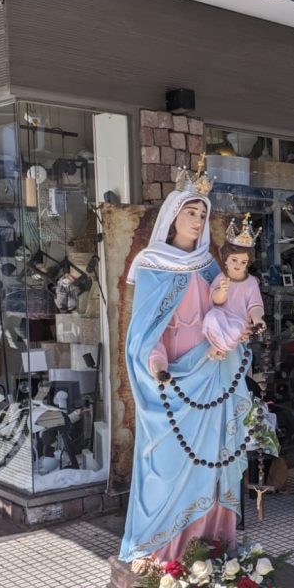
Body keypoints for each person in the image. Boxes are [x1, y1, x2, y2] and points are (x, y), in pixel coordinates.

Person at [119, 167, 252, 563]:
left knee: (211, 464)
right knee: (170, 466)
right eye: (190, 213)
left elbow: (229, 312)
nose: (197, 222)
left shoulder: (210, 266)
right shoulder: (152, 265)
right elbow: (144, 333)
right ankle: (166, 559)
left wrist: (236, 335)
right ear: (173, 215)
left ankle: (209, 552)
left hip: (213, 375)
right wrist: (158, 367)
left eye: (202, 215)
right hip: (175, 381)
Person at [207, 213, 265, 357]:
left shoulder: (251, 282)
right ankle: (218, 347)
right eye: (234, 260)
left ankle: (222, 348)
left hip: (239, 325)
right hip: (221, 322)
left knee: (237, 329)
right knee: (211, 317)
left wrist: (257, 319)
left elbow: (255, 305)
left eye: (243, 262)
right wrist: (222, 291)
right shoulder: (221, 278)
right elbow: (214, 300)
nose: (238, 265)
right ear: (225, 260)